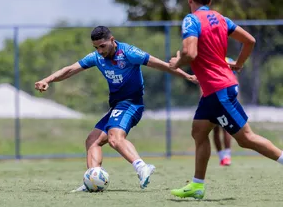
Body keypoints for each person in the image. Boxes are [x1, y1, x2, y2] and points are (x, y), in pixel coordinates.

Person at [35, 26, 197, 192]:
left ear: (112, 40)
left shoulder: (129, 53)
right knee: (92, 141)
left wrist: (188, 76)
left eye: (102, 46)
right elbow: (70, 69)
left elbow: (161, 65)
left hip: (132, 104)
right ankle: (91, 180)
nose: (99, 51)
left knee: (114, 138)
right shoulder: (97, 58)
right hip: (117, 107)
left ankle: (142, 167)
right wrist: (47, 79)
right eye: (96, 47)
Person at [169, 0, 283, 199]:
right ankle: (197, 185)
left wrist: (176, 62)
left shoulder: (191, 19)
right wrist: (238, 63)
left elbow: (190, 53)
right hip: (215, 90)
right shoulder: (221, 18)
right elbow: (250, 40)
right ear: (210, 2)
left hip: (218, 89)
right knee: (199, 131)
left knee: (246, 138)